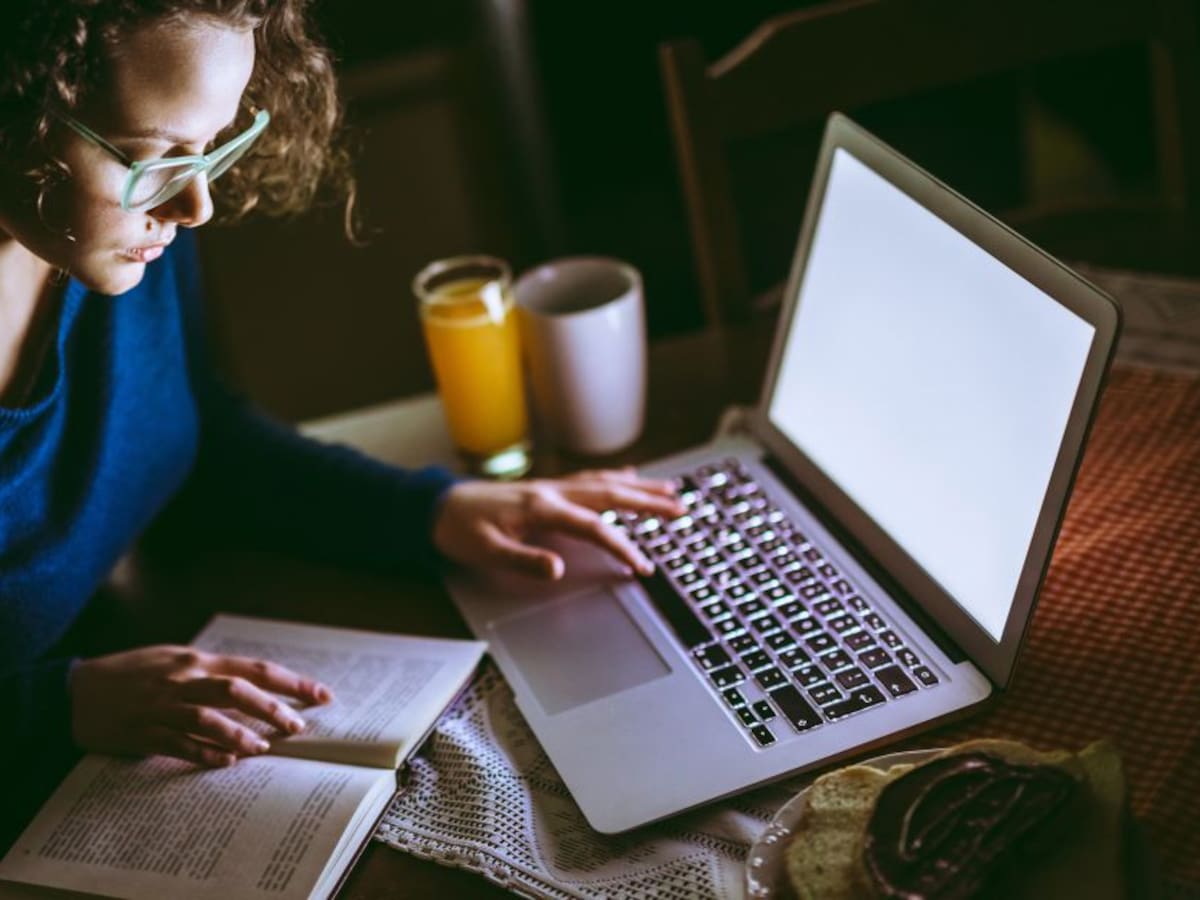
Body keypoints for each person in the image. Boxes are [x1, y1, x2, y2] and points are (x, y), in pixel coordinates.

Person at [0, 0, 683, 848]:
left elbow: (196, 443)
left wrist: (436, 512)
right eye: (154, 159)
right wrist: (51, 705)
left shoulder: (106, 239)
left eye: (215, 144)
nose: (199, 204)